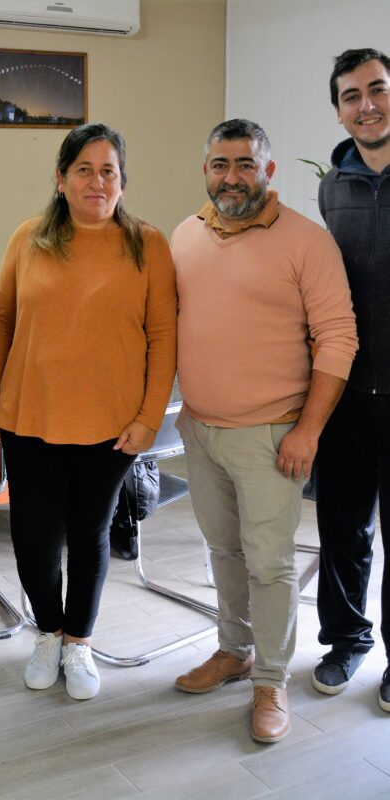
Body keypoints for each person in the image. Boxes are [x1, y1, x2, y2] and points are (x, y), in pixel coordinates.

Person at [171, 119, 358, 743]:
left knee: (270, 566)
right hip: (200, 429)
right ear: (206, 171)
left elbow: (338, 338)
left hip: (273, 435)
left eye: (245, 164)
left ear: (268, 172)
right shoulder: (185, 235)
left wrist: (307, 430)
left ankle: (270, 679)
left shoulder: (307, 242)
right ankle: (234, 650)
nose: (232, 176)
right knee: (223, 551)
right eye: (221, 164)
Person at [0, 122, 177, 701]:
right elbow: (0, 318)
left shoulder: (149, 244)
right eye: (83, 170)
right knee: (35, 537)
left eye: (108, 170)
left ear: (121, 181)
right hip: (28, 415)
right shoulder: (29, 238)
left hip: (112, 426)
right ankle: (48, 631)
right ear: (60, 179)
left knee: (90, 535)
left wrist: (148, 414)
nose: (96, 181)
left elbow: (163, 336)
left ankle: (79, 642)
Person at [313, 48, 390, 713]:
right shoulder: (329, 187)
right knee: (342, 530)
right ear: (336, 109)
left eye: (377, 89)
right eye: (350, 95)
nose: (366, 104)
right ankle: (344, 641)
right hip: (343, 396)